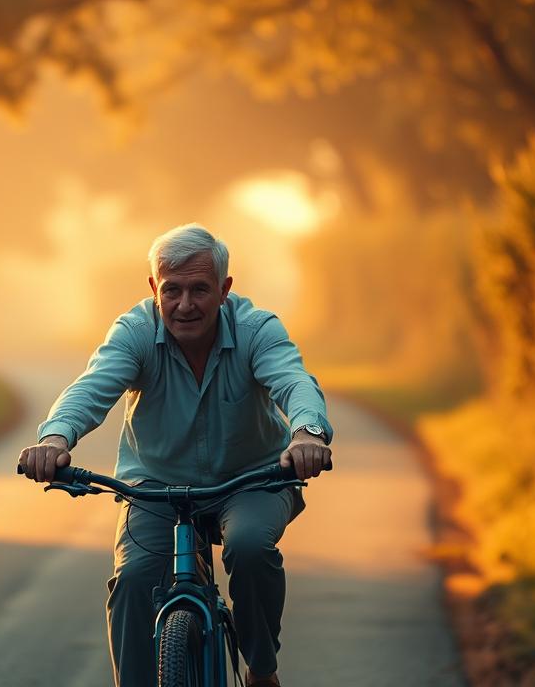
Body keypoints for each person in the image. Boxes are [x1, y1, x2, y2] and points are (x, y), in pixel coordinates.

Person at [18, 223, 334, 687]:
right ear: (154, 288)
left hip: (252, 482)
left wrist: (307, 434)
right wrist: (55, 441)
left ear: (225, 289)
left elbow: (293, 381)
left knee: (249, 547)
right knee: (133, 582)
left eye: (200, 290)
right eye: (173, 290)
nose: (185, 305)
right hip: (156, 490)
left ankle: (262, 669)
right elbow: (91, 389)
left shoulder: (256, 329)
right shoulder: (136, 332)